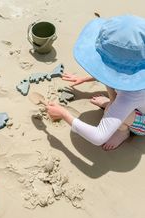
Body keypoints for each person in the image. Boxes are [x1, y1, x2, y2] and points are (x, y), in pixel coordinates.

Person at [47, 15, 145, 151]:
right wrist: (84, 78)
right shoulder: (140, 57)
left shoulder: (130, 97)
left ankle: (123, 131)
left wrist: (63, 113)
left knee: (112, 108)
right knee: (111, 87)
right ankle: (113, 107)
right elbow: (114, 72)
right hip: (138, 101)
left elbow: (98, 137)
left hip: (142, 121)